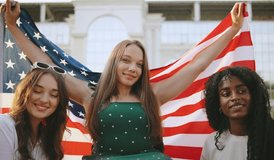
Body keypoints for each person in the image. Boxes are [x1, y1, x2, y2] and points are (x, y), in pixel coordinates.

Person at [2, 0, 245, 159]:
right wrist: (12, 27)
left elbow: (197, 66)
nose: (132, 68)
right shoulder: (90, 94)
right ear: (114, 61)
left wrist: (232, 30)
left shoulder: (153, 94)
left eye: (139, 64)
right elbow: (45, 63)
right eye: (126, 60)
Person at [201, 66, 274, 160]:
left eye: (241, 91)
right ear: (218, 103)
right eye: (226, 94)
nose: (234, 97)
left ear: (254, 97)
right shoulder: (211, 143)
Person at [0, 64, 69, 160]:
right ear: (24, 92)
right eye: (37, 91)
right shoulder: (4, 125)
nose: (44, 100)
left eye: (54, 95)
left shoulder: (47, 138)